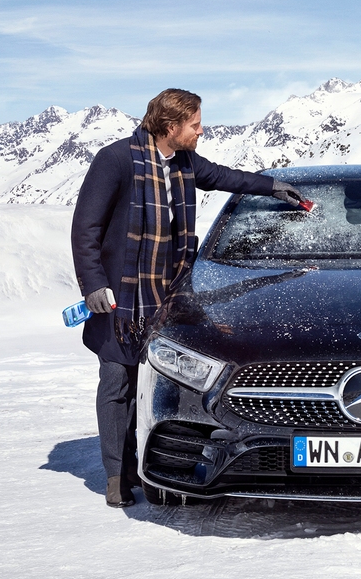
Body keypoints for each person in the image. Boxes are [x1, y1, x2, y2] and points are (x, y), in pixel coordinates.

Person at [70, 89, 305, 507]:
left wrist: (273, 187)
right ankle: (116, 474)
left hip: (170, 294)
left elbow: (229, 177)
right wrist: (93, 285)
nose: (201, 130)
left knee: (155, 381)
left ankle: (147, 459)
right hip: (121, 296)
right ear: (171, 126)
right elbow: (85, 228)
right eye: (195, 124)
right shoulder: (116, 160)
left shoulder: (184, 164)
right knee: (117, 382)